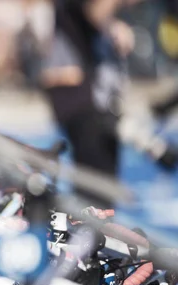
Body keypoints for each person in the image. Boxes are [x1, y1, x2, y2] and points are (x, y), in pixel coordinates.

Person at [40, 0, 141, 207]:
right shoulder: (84, 11)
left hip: (98, 107)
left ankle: (96, 234)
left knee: (102, 191)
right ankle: (91, 235)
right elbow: (93, 12)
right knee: (95, 194)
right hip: (85, 108)